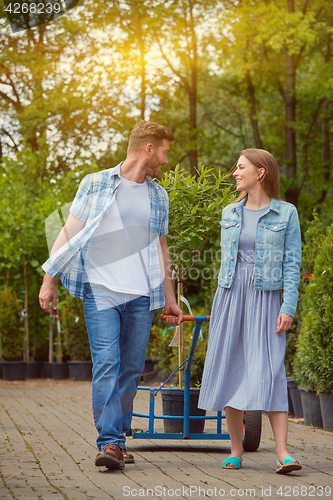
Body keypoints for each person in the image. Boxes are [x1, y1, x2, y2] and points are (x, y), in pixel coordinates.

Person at [39, 121, 182, 469]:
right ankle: (111, 443)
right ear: (148, 149)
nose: (165, 161)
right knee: (107, 365)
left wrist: (170, 298)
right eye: (163, 152)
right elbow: (69, 231)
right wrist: (49, 277)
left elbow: (162, 250)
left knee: (131, 370)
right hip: (100, 290)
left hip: (140, 295)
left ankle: (117, 436)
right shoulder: (97, 182)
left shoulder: (157, 195)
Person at [198, 149, 302, 474]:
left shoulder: (286, 213)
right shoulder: (230, 212)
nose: (234, 173)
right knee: (231, 365)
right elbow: (227, 260)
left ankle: (283, 453)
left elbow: (293, 263)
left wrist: (288, 306)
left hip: (267, 297)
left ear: (260, 173)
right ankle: (235, 450)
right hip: (230, 295)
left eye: (240, 167)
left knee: (271, 369)